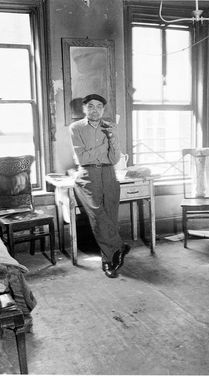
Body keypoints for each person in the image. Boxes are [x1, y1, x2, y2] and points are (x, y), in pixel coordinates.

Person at [69, 94, 130, 278]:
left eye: (99, 107)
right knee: (97, 215)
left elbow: (114, 158)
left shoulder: (111, 126)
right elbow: (83, 158)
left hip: (109, 173)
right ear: (84, 109)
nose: (95, 110)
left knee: (110, 216)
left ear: (103, 110)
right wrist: (105, 144)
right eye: (91, 106)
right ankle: (119, 247)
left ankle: (108, 261)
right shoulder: (76, 128)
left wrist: (111, 138)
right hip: (88, 174)